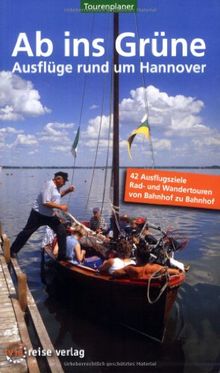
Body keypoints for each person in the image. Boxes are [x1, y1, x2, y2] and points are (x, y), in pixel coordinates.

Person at [10, 171, 75, 261]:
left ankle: (61, 256)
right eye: (64, 181)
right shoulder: (49, 185)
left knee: (62, 232)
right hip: (38, 215)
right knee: (27, 232)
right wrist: (61, 207)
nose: (64, 183)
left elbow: (57, 197)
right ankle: (13, 250)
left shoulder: (56, 187)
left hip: (50, 216)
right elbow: (46, 202)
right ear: (58, 179)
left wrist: (67, 191)